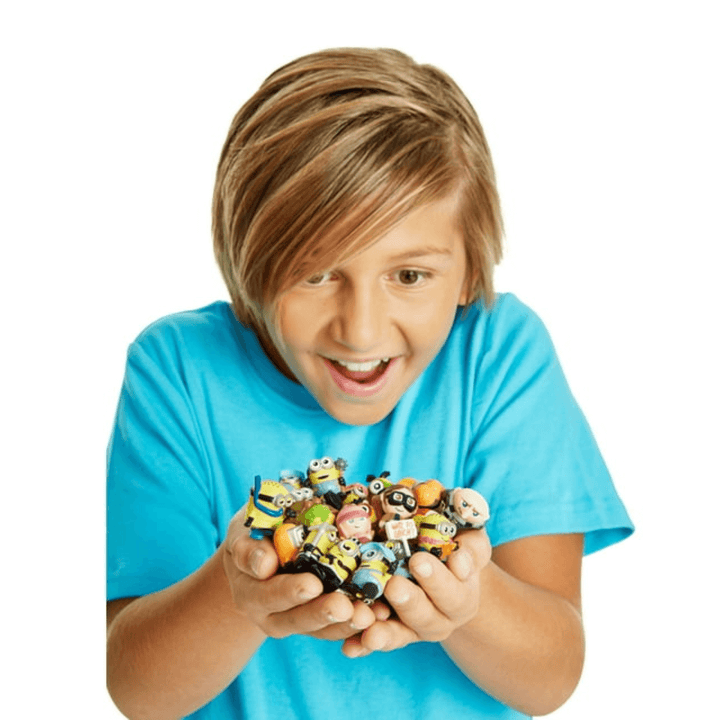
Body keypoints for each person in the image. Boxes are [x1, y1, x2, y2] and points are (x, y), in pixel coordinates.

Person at [106, 47, 633, 720]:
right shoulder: (178, 368)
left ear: (470, 272)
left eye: (409, 276)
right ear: (250, 265)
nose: (360, 331)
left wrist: (469, 605)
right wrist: (236, 591)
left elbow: (552, 676)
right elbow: (135, 688)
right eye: (316, 273)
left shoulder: (499, 353)